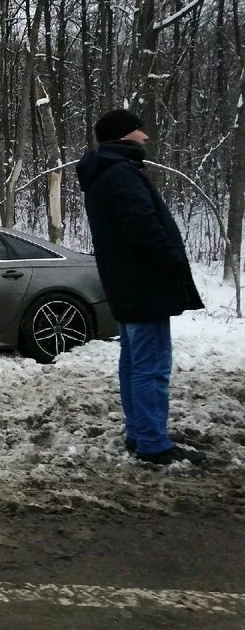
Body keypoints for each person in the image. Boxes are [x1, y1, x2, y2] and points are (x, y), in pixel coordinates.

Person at [76, 109, 206, 466]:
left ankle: (141, 433)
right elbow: (143, 228)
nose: (146, 136)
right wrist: (171, 262)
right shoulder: (121, 174)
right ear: (123, 135)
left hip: (125, 284)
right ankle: (152, 442)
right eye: (139, 129)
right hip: (144, 284)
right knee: (152, 367)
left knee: (134, 363)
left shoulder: (104, 174)